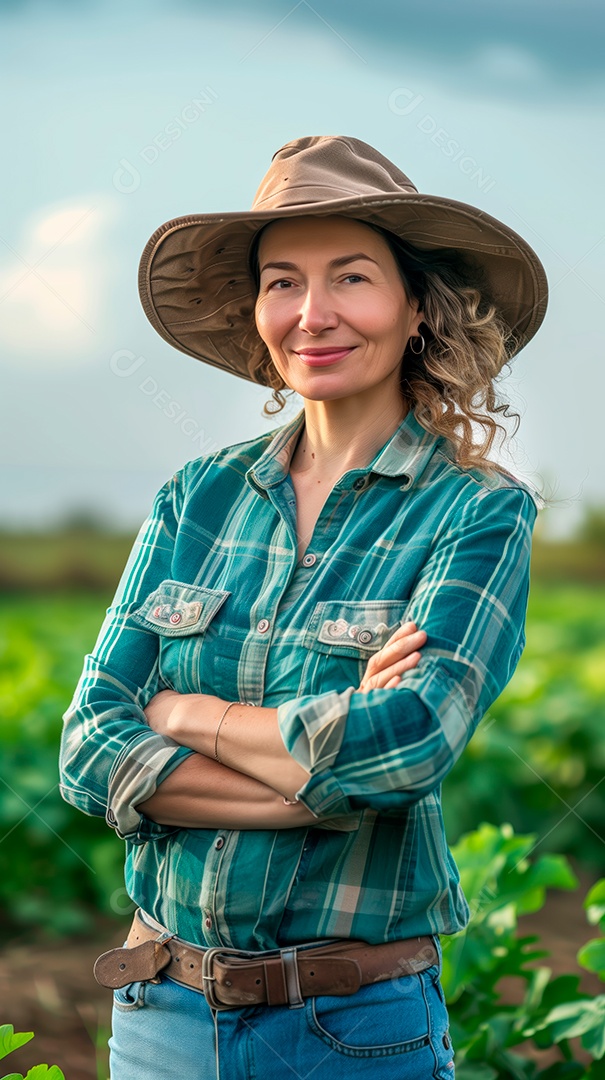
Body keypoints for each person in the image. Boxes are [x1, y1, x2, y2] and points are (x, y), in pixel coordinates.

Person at [59, 134, 548, 1080]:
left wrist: (186, 715)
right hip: (161, 1010)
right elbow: (88, 748)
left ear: (417, 308)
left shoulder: (475, 511)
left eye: (352, 278)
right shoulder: (194, 498)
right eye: (282, 282)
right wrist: (310, 792)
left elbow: (401, 743)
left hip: (354, 1029)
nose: (312, 314)